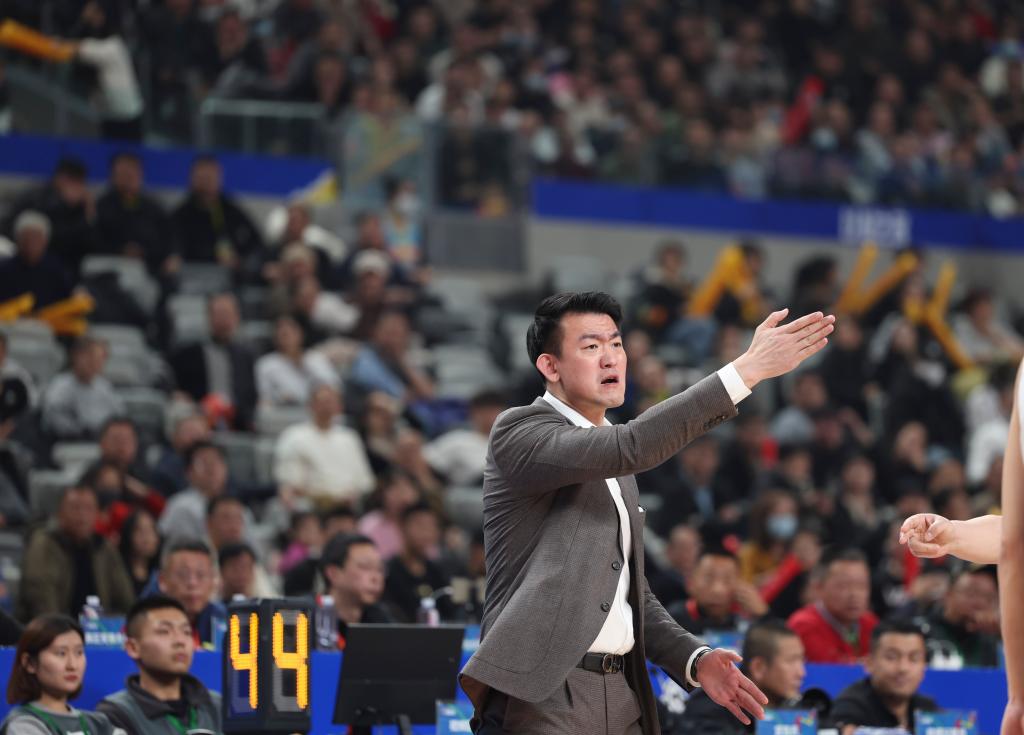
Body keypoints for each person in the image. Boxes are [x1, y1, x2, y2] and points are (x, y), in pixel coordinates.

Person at [460, 292, 833, 734]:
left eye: (616, 344)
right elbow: (632, 445)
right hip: (544, 691)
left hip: (622, 691)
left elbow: (628, 594)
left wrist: (693, 658)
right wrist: (746, 370)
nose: (610, 358)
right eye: (591, 346)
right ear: (550, 366)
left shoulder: (616, 461)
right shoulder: (520, 430)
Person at [97, 595, 222, 733]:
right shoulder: (116, 714)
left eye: (186, 632)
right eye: (164, 632)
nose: (180, 641)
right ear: (133, 648)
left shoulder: (217, 706)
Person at [17, 484, 135, 621]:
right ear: (60, 513)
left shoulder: (104, 547)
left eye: (89, 509)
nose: (82, 515)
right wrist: (61, 629)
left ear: (97, 514)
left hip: (100, 628)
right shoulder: (44, 544)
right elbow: (41, 598)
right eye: (75, 508)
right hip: (55, 628)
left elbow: (125, 598)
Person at [675, 620, 807, 735]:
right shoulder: (711, 705)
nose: (801, 673)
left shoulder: (800, 711)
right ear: (758, 667)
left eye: (802, 661)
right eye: (791, 661)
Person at [2, 614, 126, 734]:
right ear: (29, 663)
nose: (72, 665)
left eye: (79, 652)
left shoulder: (99, 723)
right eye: (61, 653)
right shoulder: (24, 724)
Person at [274, 384, 376, 509]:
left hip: (348, 507)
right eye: (323, 402)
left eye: (332, 402)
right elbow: (290, 483)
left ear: (339, 407)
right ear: (311, 405)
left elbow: (364, 481)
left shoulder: (349, 438)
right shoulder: (294, 436)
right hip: (311, 506)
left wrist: (353, 496)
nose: (327, 407)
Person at [826, 620, 937, 734]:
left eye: (914, 658)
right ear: (869, 663)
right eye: (892, 657)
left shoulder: (929, 710)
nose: (903, 668)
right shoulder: (850, 709)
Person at [169, 293, 257, 431]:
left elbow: (250, 395)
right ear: (209, 317)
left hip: (238, 422)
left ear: (237, 317)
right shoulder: (188, 354)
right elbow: (175, 387)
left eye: (228, 314)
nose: (224, 320)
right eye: (219, 314)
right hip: (199, 418)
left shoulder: (245, 356)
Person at [787, 548, 878, 664]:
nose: (854, 594)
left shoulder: (870, 623)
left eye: (861, 585)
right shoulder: (803, 625)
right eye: (843, 585)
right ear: (819, 588)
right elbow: (831, 668)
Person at [170, 156, 263, 270]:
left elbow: (256, 247)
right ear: (191, 179)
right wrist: (172, 258)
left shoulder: (233, 214)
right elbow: (169, 249)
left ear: (219, 179)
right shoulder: (180, 216)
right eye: (201, 178)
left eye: (209, 178)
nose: (205, 184)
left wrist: (240, 262)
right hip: (187, 273)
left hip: (225, 275)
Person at [95, 152, 177, 276]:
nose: (127, 179)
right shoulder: (101, 207)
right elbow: (95, 241)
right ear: (113, 176)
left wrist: (170, 255)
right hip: (109, 271)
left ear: (140, 175)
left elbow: (168, 239)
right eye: (122, 174)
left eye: (131, 174)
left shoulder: (154, 208)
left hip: (150, 270)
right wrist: (121, 250)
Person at [668, 548, 768, 635]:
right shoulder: (673, 620)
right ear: (691, 583)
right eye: (708, 579)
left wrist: (764, 615)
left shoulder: (748, 621)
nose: (718, 590)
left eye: (727, 579)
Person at [383, 502, 454, 622]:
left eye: (432, 526)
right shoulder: (388, 572)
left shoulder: (438, 572)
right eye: (420, 525)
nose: (426, 532)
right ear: (402, 527)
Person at [41, 336, 123, 441]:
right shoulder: (60, 386)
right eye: (90, 358)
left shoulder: (104, 386)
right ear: (76, 357)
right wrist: (84, 431)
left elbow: (118, 415)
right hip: (69, 442)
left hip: (103, 441)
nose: (95, 363)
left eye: (100, 359)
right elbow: (54, 422)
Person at [917, 567, 1001, 668]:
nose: (980, 602)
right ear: (948, 594)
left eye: (989, 597)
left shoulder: (992, 639)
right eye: (972, 593)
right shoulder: (920, 632)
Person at [320, 533, 392, 646]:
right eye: (365, 567)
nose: (376, 578)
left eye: (380, 569)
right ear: (333, 574)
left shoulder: (382, 620)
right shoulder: (307, 620)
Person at [423, 389, 506, 486]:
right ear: (474, 413)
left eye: (495, 410)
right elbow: (424, 459)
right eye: (486, 411)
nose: (492, 416)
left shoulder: (512, 441)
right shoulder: (457, 440)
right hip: (472, 489)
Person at [255, 315, 338, 406]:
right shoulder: (266, 364)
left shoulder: (316, 358)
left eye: (291, 332)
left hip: (317, 410)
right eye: (284, 335)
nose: (288, 338)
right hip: (282, 411)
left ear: (301, 334)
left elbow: (334, 387)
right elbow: (264, 399)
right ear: (275, 338)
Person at [156, 539, 225, 650]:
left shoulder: (227, 623)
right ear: (162, 580)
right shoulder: (146, 626)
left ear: (214, 580)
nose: (192, 583)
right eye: (183, 575)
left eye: (201, 575)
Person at [0, 210, 74, 308]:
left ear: (45, 240)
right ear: (18, 239)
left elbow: (68, 300)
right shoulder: (4, 271)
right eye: (26, 238)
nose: (31, 244)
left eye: (36, 238)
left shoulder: (57, 270)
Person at [158, 442, 229, 543]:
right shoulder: (181, 506)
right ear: (188, 472)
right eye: (204, 463)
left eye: (216, 461)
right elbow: (187, 548)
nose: (211, 469)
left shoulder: (237, 507)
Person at [119, 509, 162, 597]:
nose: (146, 537)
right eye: (139, 530)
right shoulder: (117, 571)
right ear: (128, 534)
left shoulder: (160, 575)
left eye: (150, 530)